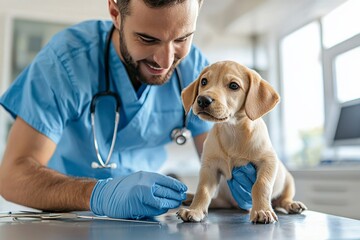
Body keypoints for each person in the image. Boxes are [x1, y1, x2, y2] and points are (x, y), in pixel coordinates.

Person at [0, 0, 256, 219]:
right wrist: (97, 194)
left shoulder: (195, 69)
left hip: (147, 218)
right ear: (115, 13)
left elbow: (218, 156)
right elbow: (13, 176)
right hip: (66, 217)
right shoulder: (66, 62)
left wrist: (237, 184)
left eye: (182, 38)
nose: (166, 61)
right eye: (147, 38)